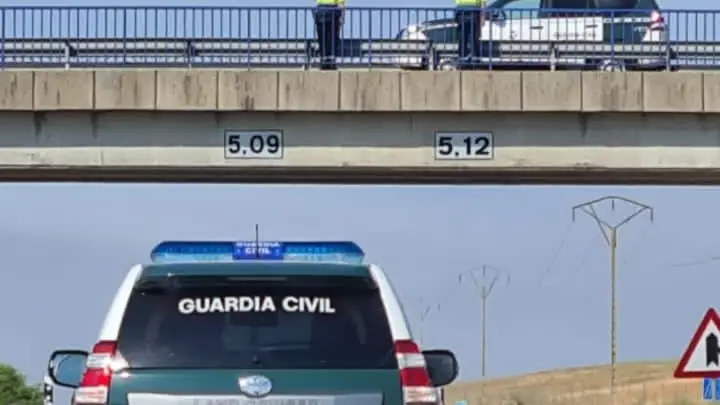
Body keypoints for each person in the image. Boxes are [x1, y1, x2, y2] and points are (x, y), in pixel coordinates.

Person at [455, 0, 487, 69]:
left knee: (474, 38)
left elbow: (484, 2)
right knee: (462, 39)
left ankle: (475, 63)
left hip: (474, 11)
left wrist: (483, 16)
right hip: (461, 11)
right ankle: (463, 62)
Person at [313, 0, 344, 70]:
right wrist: (342, 17)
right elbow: (341, 4)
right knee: (333, 38)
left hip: (320, 10)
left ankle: (323, 61)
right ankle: (331, 62)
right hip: (333, 10)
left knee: (322, 38)